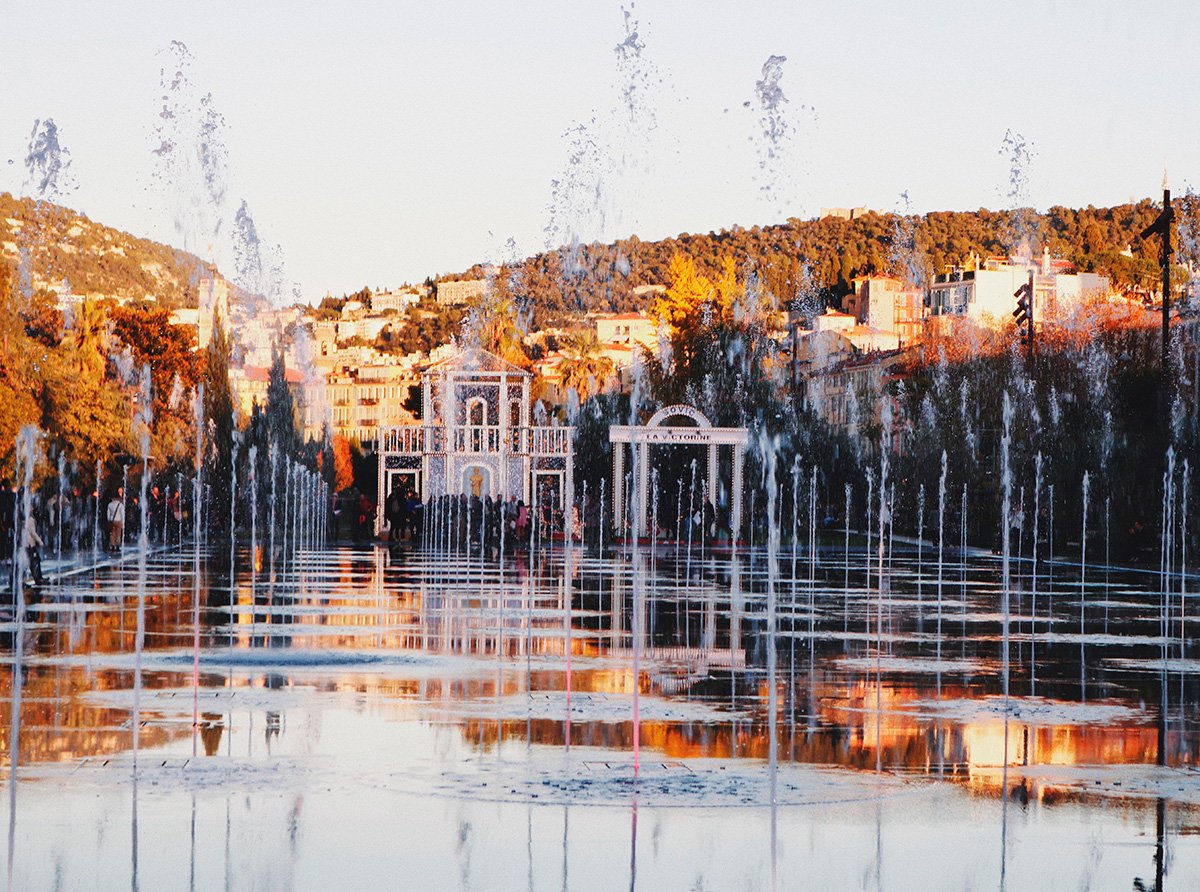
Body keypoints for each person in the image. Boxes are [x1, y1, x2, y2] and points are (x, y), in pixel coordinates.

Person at [107, 488, 125, 552]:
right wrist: (123, 522)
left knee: (112, 534)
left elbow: (108, 514)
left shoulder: (110, 504)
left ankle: (112, 546)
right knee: (118, 534)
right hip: (119, 520)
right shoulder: (120, 505)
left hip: (112, 520)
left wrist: (109, 520)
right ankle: (117, 546)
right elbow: (122, 514)